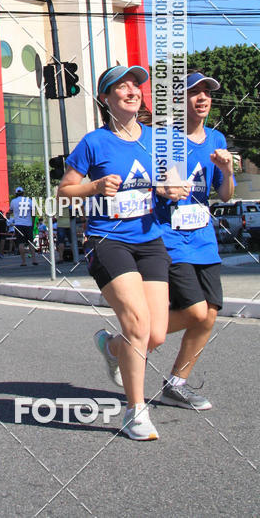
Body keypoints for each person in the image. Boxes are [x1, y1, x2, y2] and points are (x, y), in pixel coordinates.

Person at [58, 65, 175, 441]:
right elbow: (64, 191)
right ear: (106, 99)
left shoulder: (157, 140)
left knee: (155, 335)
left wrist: (172, 189)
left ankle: (111, 348)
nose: (132, 90)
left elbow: (170, 181)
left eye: (135, 85)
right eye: (120, 87)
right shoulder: (94, 142)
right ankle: (134, 411)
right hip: (108, 239)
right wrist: (93, 186)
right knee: (137, 325)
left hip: (150, 239)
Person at [155, 71, 234, 410]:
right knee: (194, 311)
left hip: (204, 239)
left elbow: (226, 196)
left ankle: (177, 382)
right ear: (179, 102)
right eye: (193, 93)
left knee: (211, 313)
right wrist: (167, 186)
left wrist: (228, 171)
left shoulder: (217, 139)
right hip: (171, 237)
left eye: (207, 93)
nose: (202, 98)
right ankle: (125, 342)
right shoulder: (165, 140)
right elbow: (157, 186)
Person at [9, 187, 39, 266]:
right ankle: (34, 259)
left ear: (16, 193)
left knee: (20, 243)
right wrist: (33, 223)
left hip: (18, 224)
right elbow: (33, 213)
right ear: (23, 193)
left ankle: (23, 261)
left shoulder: (13, 201)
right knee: (30, 242)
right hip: (28, 224)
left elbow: (10, 210)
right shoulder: (29, 201)